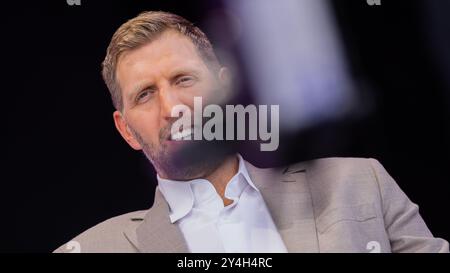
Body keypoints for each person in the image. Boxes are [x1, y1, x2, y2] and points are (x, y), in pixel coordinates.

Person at [54, 11, 448, 253]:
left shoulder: (361, 183)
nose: (171, 106)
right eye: (145, 94)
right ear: (126, 130)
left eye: (184, 79)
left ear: (228, 88)